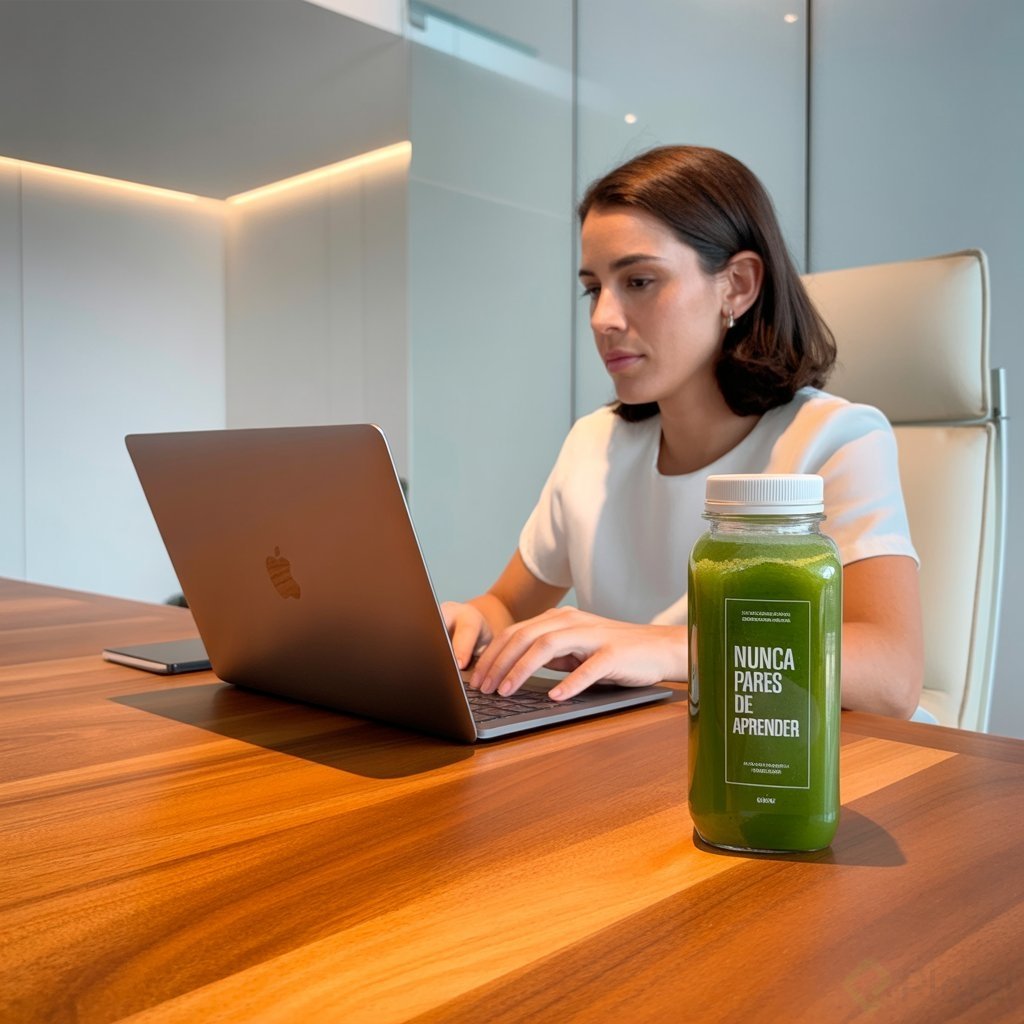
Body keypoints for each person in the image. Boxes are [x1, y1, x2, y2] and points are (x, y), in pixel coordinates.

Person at [441, 145, 923, 719]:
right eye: (594, 288)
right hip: (645, 755)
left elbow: (893, 675)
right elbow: (503, 604)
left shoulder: (835, 439)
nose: (603, 319)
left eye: (640, 281)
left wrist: (667, 648)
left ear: (737, 285)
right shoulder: (594, 445)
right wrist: (471, 622)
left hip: (801, 770)